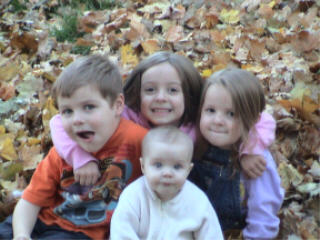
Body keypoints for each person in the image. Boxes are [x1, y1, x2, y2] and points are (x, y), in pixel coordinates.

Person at [49, 51, 274, 186]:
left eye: (173, 91)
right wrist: (79, 156)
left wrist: (250, 150)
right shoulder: (127, 115)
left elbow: (259, 117)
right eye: (150, 90)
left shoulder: (199, 117)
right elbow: (58, 121)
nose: (160, 98)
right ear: (138, 92)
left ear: (189, 93)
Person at [0, 54, 147, 240]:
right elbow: (31, 200)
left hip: (83, 232)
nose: (77, 120)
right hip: (42, 220)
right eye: (67, 111)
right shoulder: (63, 152)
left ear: (117, 106)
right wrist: (21, 234)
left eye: (88, 107)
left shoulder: (137, 141)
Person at [189, 68, 284, 239]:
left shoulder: (257, 161)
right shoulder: (194, 142)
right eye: (210, 110)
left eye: (231, 114)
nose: (217, 121)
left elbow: (263, 212)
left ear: (251, 120)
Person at [110, 126, 224, 239]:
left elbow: (212, 234)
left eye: (177, 166)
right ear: (143, 166)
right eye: (158, 165)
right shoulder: (133, 195)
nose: (167, 173)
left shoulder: (197, 200)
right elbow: (121, 232)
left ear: (188, 170)